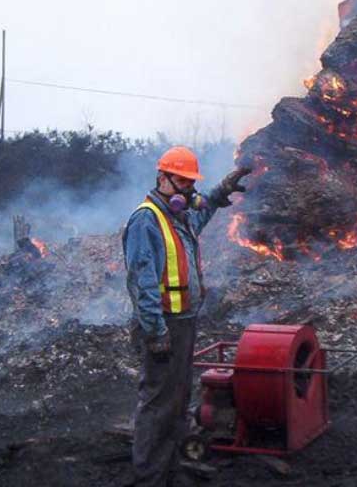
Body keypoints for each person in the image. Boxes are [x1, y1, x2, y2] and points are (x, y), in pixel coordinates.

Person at [122, 145, 250, 487]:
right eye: (182, 181)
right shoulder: (146, 221)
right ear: (162, 178)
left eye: (191, 183)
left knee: (179, 399)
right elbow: (142, 280)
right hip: (164, 326)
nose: (188, 190)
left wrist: (222, 190)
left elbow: (203, 212)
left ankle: (171, 467)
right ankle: (149, 476)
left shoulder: (178, 217)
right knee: (158, 402)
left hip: (184, 321)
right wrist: (154, 331)